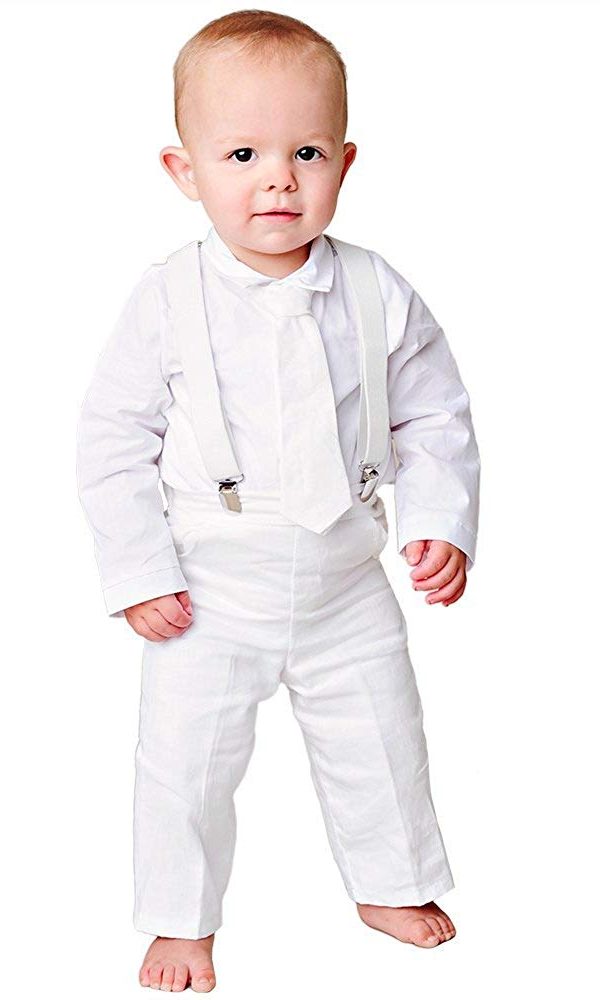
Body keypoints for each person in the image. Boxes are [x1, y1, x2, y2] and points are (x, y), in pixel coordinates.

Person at [76, 9, 480, 994]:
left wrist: (439, 522)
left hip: (347, 573)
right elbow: (113, 439)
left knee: (383, 738)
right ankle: (181, 920)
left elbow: (433, 414)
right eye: (242, 154)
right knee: (183, 764)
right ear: (184, 171)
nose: (278, 181)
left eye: (306, 153)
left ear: (346, 161)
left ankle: (391, 883)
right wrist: (139, 572)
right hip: (210, 585)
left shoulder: (378, 289)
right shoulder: (167, 297)